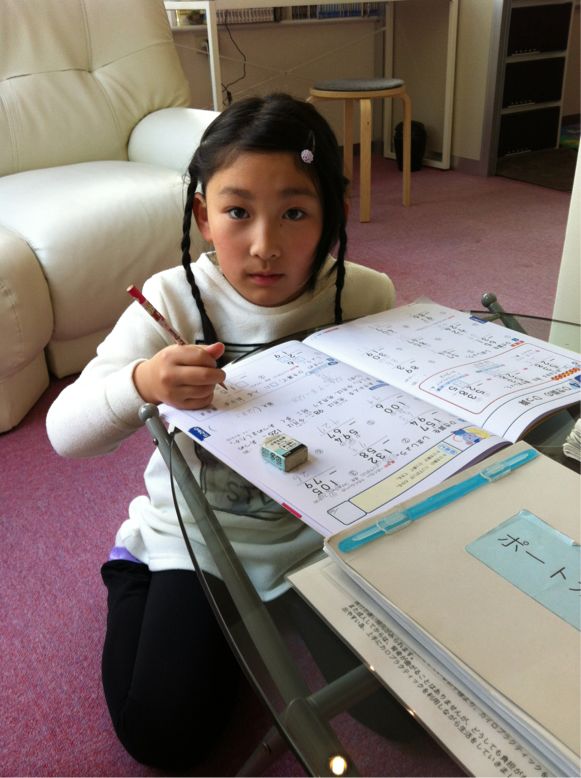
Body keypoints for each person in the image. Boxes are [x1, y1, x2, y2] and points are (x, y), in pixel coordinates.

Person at [46, 93, 398, 770]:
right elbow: (65, 433)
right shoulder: (173, 298)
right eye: (238, 212)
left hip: (330, 525)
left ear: (331, 214)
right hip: (202, 536)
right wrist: (142, 381)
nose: (265, 246)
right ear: (203, 215)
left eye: (294, 213)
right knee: (162, 735)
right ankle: (132, 570)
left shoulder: (365, 296)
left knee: (403, 710)